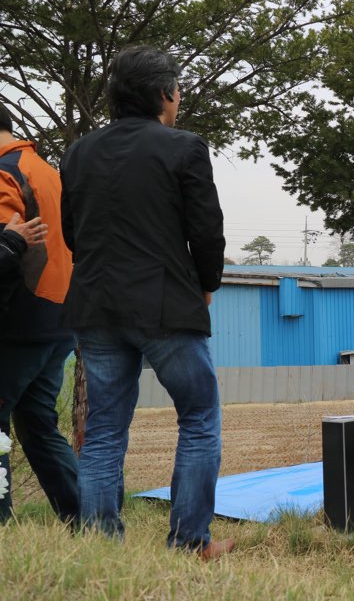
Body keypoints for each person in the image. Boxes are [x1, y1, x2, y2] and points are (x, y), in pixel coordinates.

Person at [59, 46, 231, 558]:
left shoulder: (78, 153)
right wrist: (206, 284)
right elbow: (207, 231)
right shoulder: (185, 148)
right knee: (198, 417)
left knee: (104, 430)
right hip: (165, 307)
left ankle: (99, 548)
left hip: (95, 305)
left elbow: (72, 235)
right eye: (177, 90)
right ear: (163, 94)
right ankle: (189, 543)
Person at [0, 104, 79, 526]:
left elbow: (7, 245)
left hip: (18, 320)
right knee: (37, 423)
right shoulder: (45, 170)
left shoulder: (5, 173)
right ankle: (87, 518)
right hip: (60, 316)